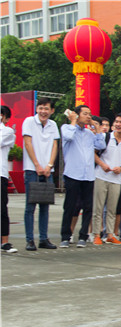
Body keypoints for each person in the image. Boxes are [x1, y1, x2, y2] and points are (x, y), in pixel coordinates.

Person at [59, 105, 106, 248]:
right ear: (77, 115)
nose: (88, 116)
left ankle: (83, 236)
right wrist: (73, 121)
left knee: (88, 207)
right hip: (73, 173)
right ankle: (65, 236)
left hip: (88, 175)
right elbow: (68, 137)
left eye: (90, 114)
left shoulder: (89, 133)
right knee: (70, 206)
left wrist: (97, 129)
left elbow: (101, 144)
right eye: (85, 114)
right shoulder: (66, 128)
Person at [22, 97, 59, 251]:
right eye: (41, 108)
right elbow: (28, 143)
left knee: (45, 205)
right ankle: (30, 240)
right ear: (37, 109)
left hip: (47, 171)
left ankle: (43, 238)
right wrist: (37, 165)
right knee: (30, 206)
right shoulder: (29, 121)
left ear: (52, 111)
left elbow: (55, 145)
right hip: (32, 170)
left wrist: (49, 165)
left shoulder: (53, 125)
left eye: (46, 108)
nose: (43, 111)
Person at [92, 113, 121, 245]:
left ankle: (110, 234)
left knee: (112, 208)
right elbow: (93, 153)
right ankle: (96, 235)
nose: (118, 124)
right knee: (98, 208)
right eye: (116, 122)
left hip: (116, 179)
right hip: (101, 176)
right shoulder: (106, 137)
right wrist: (102, 164)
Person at [1, 105, 17, 253]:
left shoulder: (7, 131)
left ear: (5, 118)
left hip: (1, 174)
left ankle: (4, 241)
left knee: (2, 209)